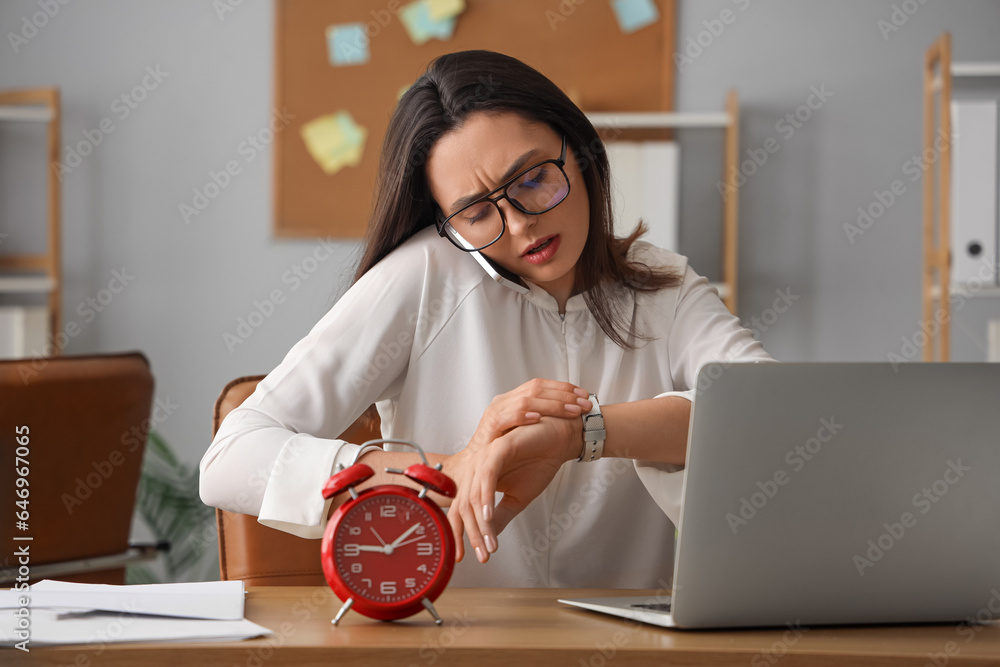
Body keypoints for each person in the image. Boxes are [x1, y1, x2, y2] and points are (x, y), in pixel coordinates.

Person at [199, 50, 775, 588]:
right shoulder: (426, 273)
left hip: (628, 641)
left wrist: (581, 435)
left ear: (581, 150)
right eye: (476, 213)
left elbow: (771, 414)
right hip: (454, 639)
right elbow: (230, 460)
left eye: (532, 180)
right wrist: (454, 469)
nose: (520, 224)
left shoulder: (663, 285)